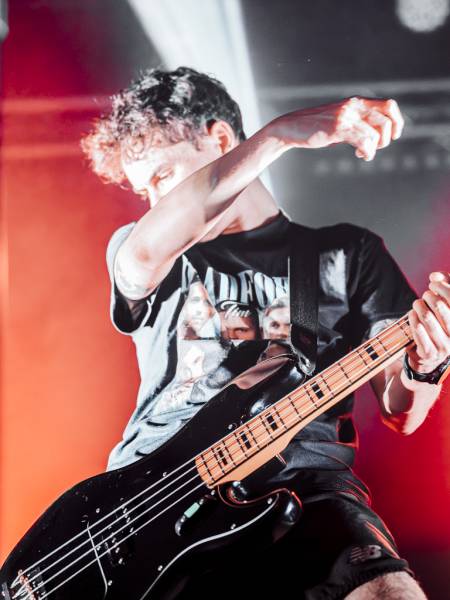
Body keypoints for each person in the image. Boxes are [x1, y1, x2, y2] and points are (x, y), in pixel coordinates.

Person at [82, 67, 450, 599]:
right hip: (158, 500)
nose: (155, 202)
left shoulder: (347, 254)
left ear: (221, 140)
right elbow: (140, 256)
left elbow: (402, 411)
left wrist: (427, 365)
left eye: (163, 177)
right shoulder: (147, 249)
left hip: (306, 489)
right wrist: (281, 134)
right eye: (145, 191)